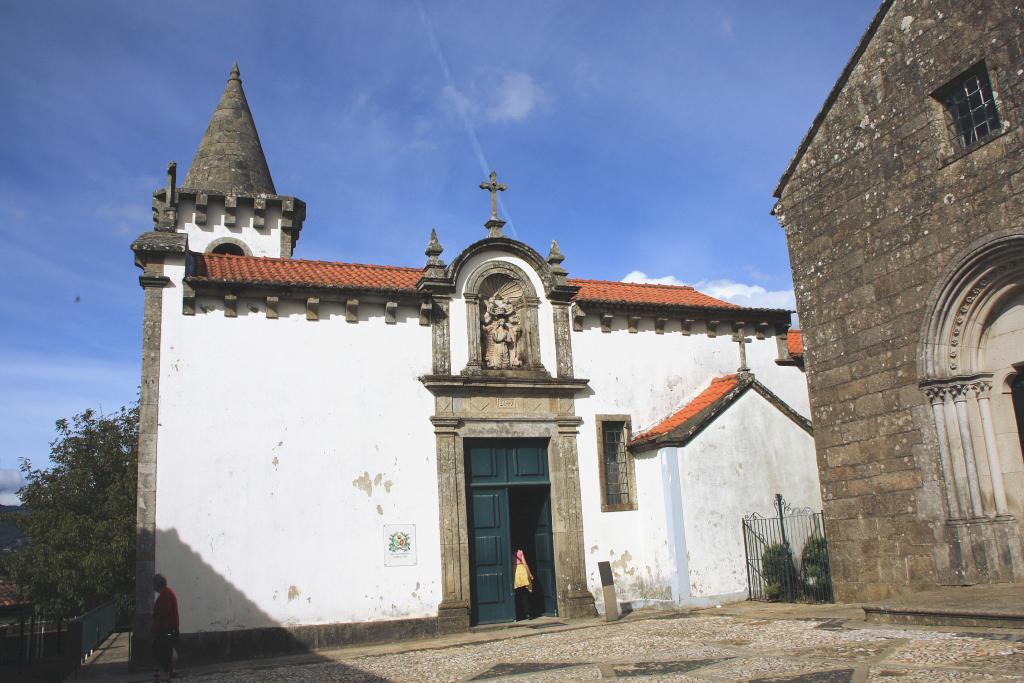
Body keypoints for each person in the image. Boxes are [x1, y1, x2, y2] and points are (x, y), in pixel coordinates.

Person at [151, 573, 179, 680]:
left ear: (157, 585)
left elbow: (164, 613)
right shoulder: (166, 593)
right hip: (168, 628)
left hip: (166, 629)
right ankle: (168, 671)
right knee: (165, 650)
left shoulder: (165, 595)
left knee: (161, 651)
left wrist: (156, 623)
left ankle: (166, 673)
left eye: (154, 585)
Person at [513, 549, 534, 621]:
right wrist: (530, 574)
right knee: (524, 594)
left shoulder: (509, 553)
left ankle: (519, 614)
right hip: (522, 571)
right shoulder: (520, 552)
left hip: (515, 572)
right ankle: (528, 613)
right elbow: (525, 564)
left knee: (517, 594)